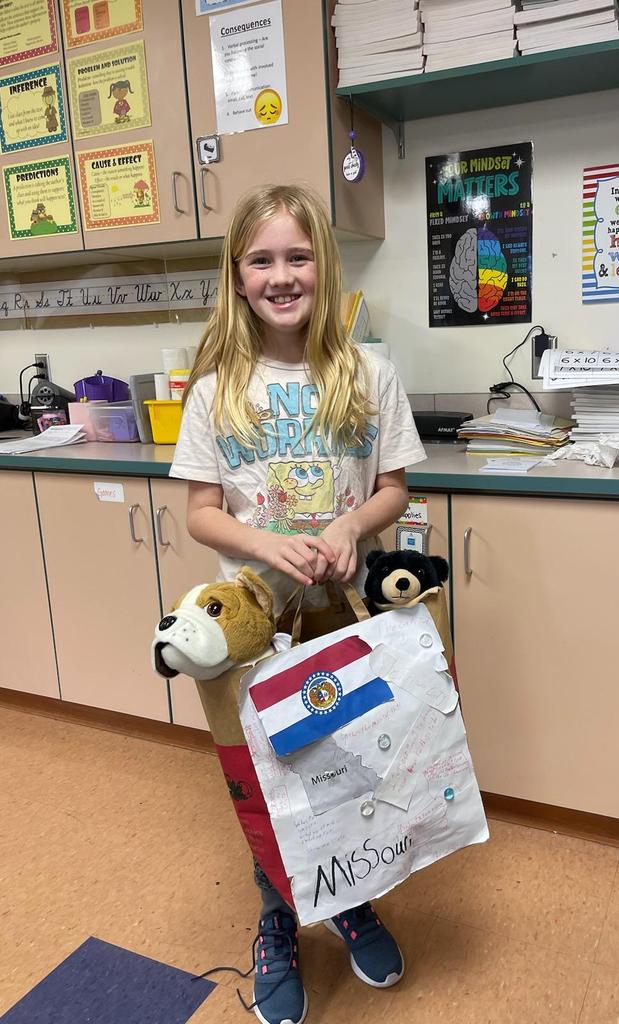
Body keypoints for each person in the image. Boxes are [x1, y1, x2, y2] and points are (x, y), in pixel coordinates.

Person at [170, 184, 426, 1024]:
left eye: (299, 257)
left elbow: (393, 488)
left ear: (324, 265)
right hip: (254, 625)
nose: (281, 276)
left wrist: (351, 523)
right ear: (237, 276)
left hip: (339, 614)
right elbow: (200, 511)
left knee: (344, 766)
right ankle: (279, 916)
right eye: (262, 260)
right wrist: (264, 542)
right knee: (269, 779)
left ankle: (347, 897)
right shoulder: (216, 389)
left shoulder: (368, 374)